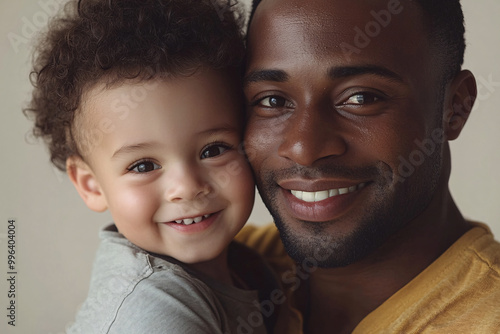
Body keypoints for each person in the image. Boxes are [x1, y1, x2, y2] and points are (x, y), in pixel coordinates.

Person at [237, 0, 500, 333]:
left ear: (455, 107)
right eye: (272, 100)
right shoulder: (216, 267)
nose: (303, 149)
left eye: (361, 98)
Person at [25, 0, 279, 333]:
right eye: (144, 165)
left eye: (213, 149)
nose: (187, 186)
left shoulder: (252, 264)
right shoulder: (154, 313)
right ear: (91, 184)